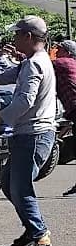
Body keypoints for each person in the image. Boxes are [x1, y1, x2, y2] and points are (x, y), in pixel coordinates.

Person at [0, 16, 57, 246]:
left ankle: (39, 233)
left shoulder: (34, 64)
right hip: (30, 134)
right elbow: (1, 77)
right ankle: (34, 229)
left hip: (34, 135)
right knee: (9, 184)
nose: (13, 38)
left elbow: (25, 100)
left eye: (17, 34)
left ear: (28, 36)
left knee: (20, 188)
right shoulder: (33, 61)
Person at [53, 40, 76, 197]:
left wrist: (20, 55)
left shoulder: (64, 63)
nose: (56, 51)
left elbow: (41, 65)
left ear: (68, 52)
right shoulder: (70, 63)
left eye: (59, 49)